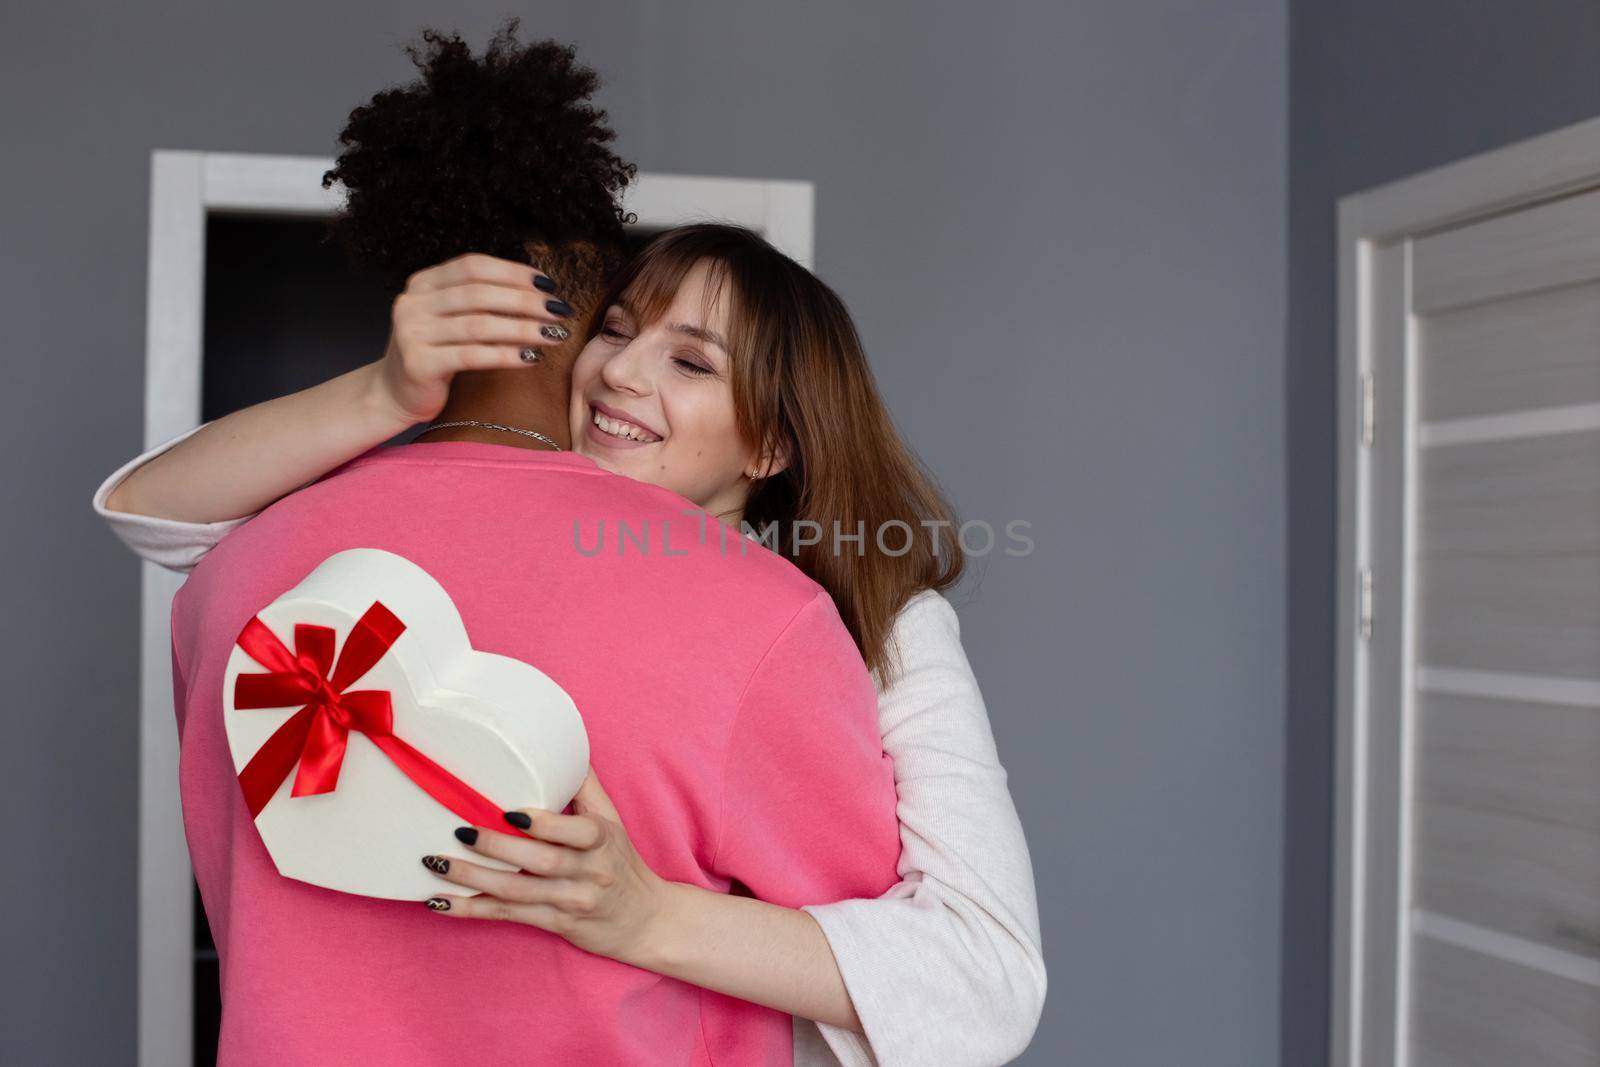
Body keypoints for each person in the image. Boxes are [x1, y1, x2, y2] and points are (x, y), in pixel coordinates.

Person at [96, 21, 1045, 1066]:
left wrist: (645, 915)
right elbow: (152, 510)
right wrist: (381, 390)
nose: (622, 374)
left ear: (774, 440)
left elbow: (973, 981)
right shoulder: (685, 601)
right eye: (614, 328)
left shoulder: (844, 623)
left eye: (690, 363)